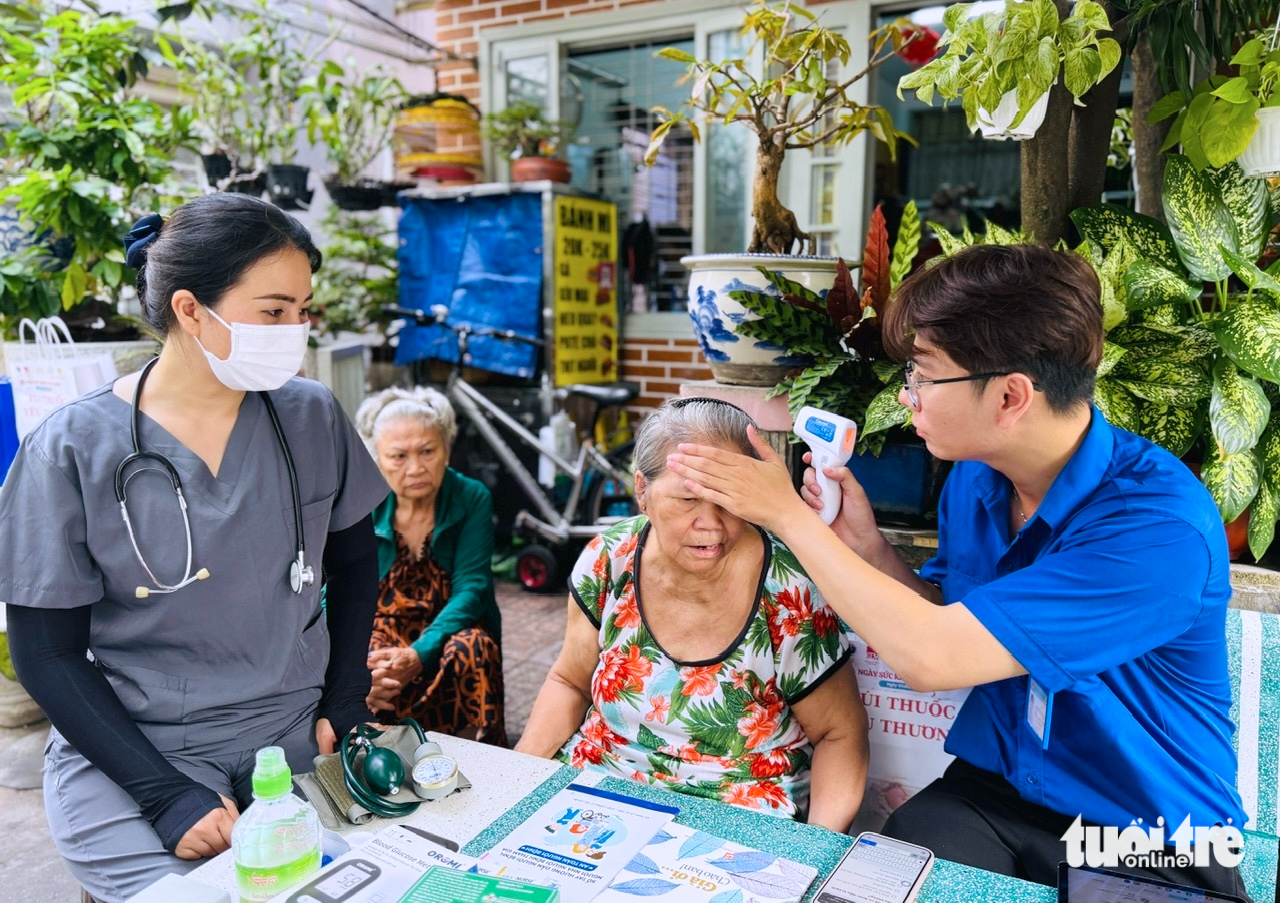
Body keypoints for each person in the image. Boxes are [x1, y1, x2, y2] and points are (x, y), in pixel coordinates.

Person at [665, 244, 1250, 897]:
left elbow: (934, 657)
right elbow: (953, 621)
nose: (907, 396)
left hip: (1148, 831)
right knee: (860, 889)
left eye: (923, 374)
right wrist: (869, 550)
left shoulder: (1157, 529)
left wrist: (788, 518)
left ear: (1009, 395)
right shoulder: (977, 478)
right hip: (998, 794)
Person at [0, 194, 389, 903]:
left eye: (304, 310)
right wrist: (162, 794)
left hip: (294, 727)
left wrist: (346, 693)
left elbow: (357, 562)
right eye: (273, 311)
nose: (295, 331)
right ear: (189, 309)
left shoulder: (309, 415)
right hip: (136, 746)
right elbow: (46, 652)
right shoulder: (71, 448)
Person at [517, 397, 868, 832]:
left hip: (739, 813)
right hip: (601, 791)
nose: (712, 525)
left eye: (729, 500)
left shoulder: (788, 587)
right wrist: (518, 787)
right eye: (687, 499)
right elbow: (569, 683)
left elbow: (840, 734)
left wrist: (814, 853)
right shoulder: (610, 558)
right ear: (642, 490)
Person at [354, 387, 506, 746]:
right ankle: (382, 752)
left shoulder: (471, 497)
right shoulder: (361, 502)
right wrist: (353, 672)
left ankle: (475, 756)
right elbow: (335, 590)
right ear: (377, 459)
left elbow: (472, 588)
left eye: (427, 452)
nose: (416, 468)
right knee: (369, 659)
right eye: (398, 456)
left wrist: (419, 653)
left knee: (473, 648)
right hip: (383, 625)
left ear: (447, 451)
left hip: (450, 624)